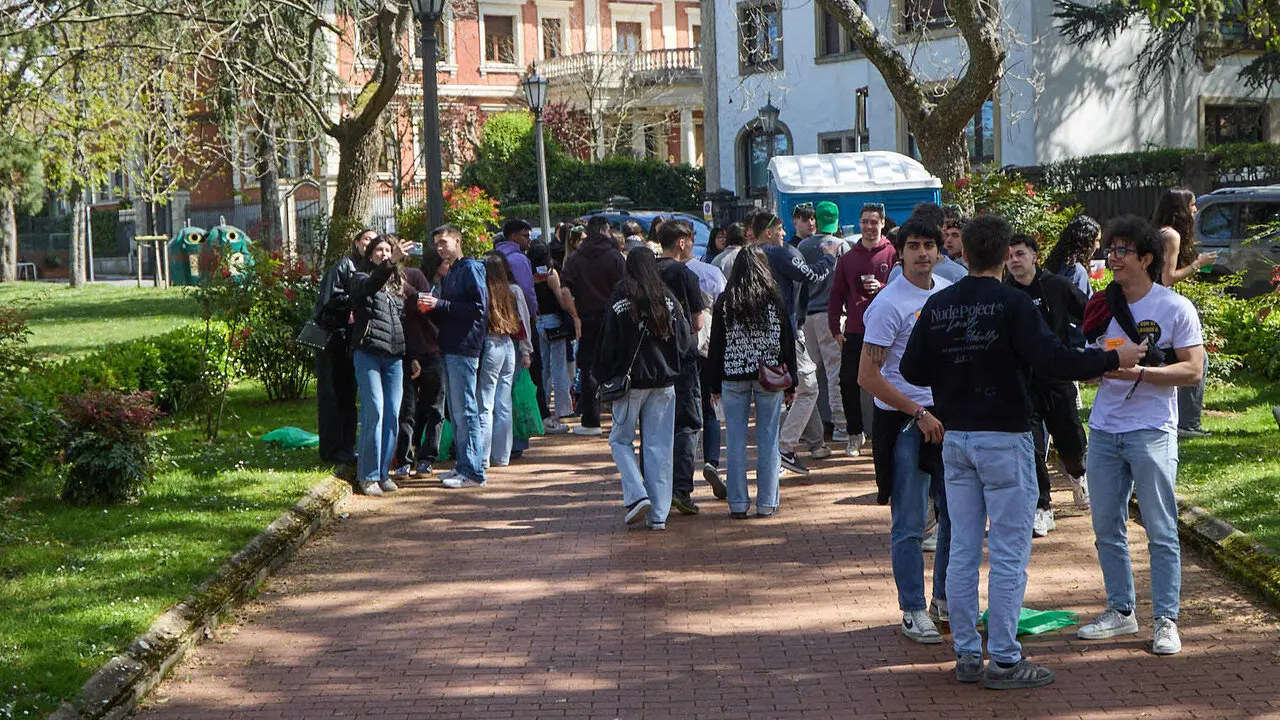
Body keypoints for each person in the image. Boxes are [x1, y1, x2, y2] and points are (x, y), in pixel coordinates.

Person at [900, 215, 1144, 690]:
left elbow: (912, 367)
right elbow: (1054, 359)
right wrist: (1115, 357)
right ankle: (1006, 659)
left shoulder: (939, 304)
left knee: (964, 549)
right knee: (1009, 554)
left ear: (964, 253)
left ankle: (968, 652)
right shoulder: (1013, 303)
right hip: (1004, 437)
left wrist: (955, 372)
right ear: (1002, 255)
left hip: (957, 437)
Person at [1076, 214, 1205, 657]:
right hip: (1104, 429)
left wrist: (1142, 372)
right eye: (1110, 249)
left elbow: (1192, 371)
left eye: (1122, 251)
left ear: (1146, 258)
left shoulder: (1174, 308)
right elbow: (1087, 362)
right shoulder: (1099, 306)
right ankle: (1120, 610)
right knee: (1106, 526)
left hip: (1151, 430)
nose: (1112, 257)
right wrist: (1096, 370)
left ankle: (1166, 620)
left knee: (1161, 528)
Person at [857, 218, 952, 644]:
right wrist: (916, 412)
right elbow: (868, 376)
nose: (923, 253)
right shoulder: (888, 304)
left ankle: (946, 600)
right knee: (910, 523)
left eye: (930, 245)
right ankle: (912, 608)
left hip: (947, 421)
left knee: (955, 518)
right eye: (914, 245)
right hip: (904, 425)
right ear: (901, 252)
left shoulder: (948, 294)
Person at [595, 248, 693, 531]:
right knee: (659, 447)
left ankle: (637, 494)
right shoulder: (667, 298)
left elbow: (607, 341)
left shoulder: (620, 297)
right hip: (664, 383)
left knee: (620, 440)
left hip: (630, 383)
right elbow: (685, 341)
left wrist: (602, 375)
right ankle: (659, 515)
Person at [1004, 234, 1092, 537]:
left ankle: (1079, 476)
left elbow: (1091, 314)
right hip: (1022, 384)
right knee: (1032, 448)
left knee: (1070, 440)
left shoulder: (1057, 285)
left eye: (1019, 254)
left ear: (1034, 256)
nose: (1014, 261)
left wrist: (1096, 350)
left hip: (1058, 378)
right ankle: (1042, 508)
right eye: (1009, 257)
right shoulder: (1005, 294)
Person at [707, 246, 798, 519]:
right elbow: (787, 342)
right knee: (768, 440)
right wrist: (791, 382)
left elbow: (717, 347)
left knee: (734, 441)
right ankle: (767, 502)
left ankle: (737, 503)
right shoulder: (774, 298)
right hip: (769, 375)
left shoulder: (725, 301)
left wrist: (713, 384)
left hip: (732, 375)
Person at [757, 212, 839, 474]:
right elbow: (811, 275)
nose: (783, 234)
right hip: (786, 333)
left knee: (777, 393)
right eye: (779, 229)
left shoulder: (748, 256)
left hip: (759, 336)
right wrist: (830, 256)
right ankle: (785, 448)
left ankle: (775, 455)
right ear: (768, 231)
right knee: (809, 387)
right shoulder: (778, 253)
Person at [422, 224, 489, 488]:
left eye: (444, 242)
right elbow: (452, 310)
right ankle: (463, 466)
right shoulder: (451, 272)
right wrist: (432, 307)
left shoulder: (470, 268)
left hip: (464, 347)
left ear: (458, 241)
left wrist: (439, 305)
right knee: (458, 411)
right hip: (450, 346)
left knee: (466, 411)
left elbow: (477, 308)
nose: (440, 248)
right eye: (437, 244)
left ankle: (473, 471)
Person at [829, 202, 896, 456]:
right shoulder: (847, 258)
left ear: (882, 223)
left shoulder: (893, 254)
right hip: (856, 330)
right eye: (865, 221)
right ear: (859, 224)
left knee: (891, 380)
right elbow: (836, 295)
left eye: (874, 221)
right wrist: (836, 328)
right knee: (847, 381)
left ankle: (890, 432)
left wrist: (882, 287)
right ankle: (855, 434)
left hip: (889, 331)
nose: (869, 226)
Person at [348, 235, 411, 496]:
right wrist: (391, 263)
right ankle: (368, 475)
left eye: (388, 250)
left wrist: (414, 357)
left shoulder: (397, 285)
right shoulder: (360, 278)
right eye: (379, 250)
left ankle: (384, 472)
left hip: (394, 357)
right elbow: (370, 286)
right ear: (370, 254)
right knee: (374, 410)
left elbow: (403, 320)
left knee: (392, 416)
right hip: (368, 354)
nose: (384, 253)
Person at [1152, 187, 1216, 439]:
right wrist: (1198, 264)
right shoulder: (1171, 236)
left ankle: (1178, 419)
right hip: (1160, 304)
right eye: (1192, 206)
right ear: (1181, 209)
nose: (1195, 211)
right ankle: (1187, 424)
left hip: (1152, 303)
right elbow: (1167, 279)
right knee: (1198, 360)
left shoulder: (1159, 232)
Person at [313, 228, 375, 481]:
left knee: (348, 394)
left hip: (350, 340)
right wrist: (354, 301)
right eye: (366, 240)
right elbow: (330, 300)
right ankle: (331, 448)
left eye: (374, 240)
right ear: (357, 242)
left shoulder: (371, 270)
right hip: (330, 337)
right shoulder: (343, 266)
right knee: (331, 393)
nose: (370, 244)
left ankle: (347, 447)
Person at [655, 220, 707, 515]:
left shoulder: (646, 272)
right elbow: (698, 320)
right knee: (687, 423)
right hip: (683, 357)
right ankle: (680, 489)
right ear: (683, 243)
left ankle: (653, 488)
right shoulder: (684, 274)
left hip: (651, 360)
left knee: (652, 427)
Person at [561, 215, 626, 436]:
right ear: (606, 231)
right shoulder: (615, 256)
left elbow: (565, 290)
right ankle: (621, 420)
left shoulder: (576, 258)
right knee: (618, 364)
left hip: (587, 318)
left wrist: (575, 315)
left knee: (588, 367)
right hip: (614, 317)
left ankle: (591, 420)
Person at [798, 201, 851, 446]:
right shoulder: (843, 247)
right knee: (835, 374)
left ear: (815, 220)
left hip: (807, 316)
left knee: (808, 376)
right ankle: (841, 426)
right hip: (832, 317)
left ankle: (807, 430)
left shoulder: (803, 245)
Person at [391, 246, 445, 480]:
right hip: (408, 354)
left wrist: (408, 290)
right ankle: (403, 460)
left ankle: (426, 459)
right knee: (408, 410)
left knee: (434, 408)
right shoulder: (383, 284)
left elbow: (427, 305)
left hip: (432, 352)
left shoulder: (413, 277)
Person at [477, 252, 532, 468]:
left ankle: (482, 457)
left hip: (490, 343)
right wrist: (526, 350)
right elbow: (523, 322)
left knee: (485, 402)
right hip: (509, 344)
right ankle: (502, 455)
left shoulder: (483, 291)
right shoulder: (513, 291)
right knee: (504, 402)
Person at [685, 235, 728, 496]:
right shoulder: (709, 272)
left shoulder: (659, 272)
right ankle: (712, 461)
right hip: (707, 346)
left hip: (678, 349)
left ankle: (683, 477)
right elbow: (724, 307)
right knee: (709, 408)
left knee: (686, 416)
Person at [528, 241, 577, 432]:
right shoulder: (551, 273)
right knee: (559, 365)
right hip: (554, 322)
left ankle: (544, 404)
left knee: (543, 368)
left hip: (538, 321)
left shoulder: (529, 274)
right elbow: (560, 299)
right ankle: (563, 408)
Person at [1044, 215, 1102, 299]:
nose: (1098, 246)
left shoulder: (1055, 266)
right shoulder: (1077, 272)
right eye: (1096, 240)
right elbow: (1078, 308)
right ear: (1086, 241)